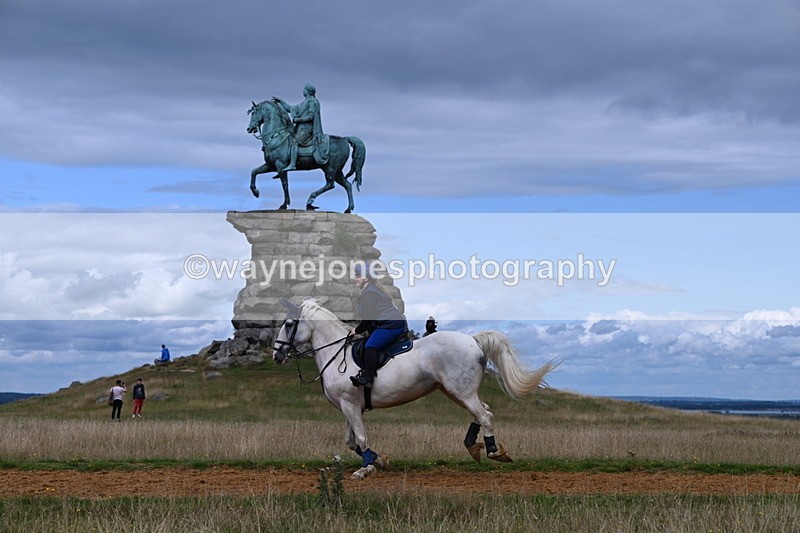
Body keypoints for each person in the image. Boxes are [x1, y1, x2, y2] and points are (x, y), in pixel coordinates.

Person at [349, 262, 408, 388]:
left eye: (357, 276)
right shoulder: (371, 290)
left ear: (366, 278)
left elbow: (367, 320)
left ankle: (367, 377)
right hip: (387, 324)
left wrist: (356, 330)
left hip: (392, 326)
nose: (355, 278)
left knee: (371, 345)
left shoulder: (369, 294)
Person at [272, 84, 328, 170]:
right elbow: (290, 108)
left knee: (294, 141)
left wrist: (298, 120)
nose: (303, 91)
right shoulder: (305, 103)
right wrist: (281, 101)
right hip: (300, 128)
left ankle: (293, 164)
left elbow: (311, 116)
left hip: (307, 129)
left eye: (304, 89)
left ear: (308, 91)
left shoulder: (312, 102)